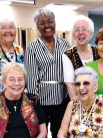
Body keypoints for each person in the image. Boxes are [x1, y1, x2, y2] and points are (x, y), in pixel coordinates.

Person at [24, 8, 71, 138]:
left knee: (60, 132)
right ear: (37, 27)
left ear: (55, 23)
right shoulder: (32, 47)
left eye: (50, 21)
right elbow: (31, 77)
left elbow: (70, 70)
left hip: (62, 99)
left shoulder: (65, 44)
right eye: (42, 23)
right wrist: (33, 102)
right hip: (41, 101)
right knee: (40, 133)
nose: (47, 26)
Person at [0, 62, 47, 138]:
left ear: (24, 82)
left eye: (20, 79)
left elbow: (43, 131)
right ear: (4, 82)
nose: (17, 83)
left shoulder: (33, 100)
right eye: (12, 79)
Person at [57, 67, 103, 138]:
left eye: (86, 83)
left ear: (95, 87)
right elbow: (61, 133)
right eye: (78, 84)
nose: (81, 87)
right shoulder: (72, 105)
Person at [62, 15, 99, 101]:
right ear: (73, 35)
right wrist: (78, 106)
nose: (80, 33)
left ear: (91, 33)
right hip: (76, 98)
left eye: (84, 29)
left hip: (97, 99)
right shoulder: (67, 55)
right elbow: (70, 84)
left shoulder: (98, 52)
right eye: (77, 30)